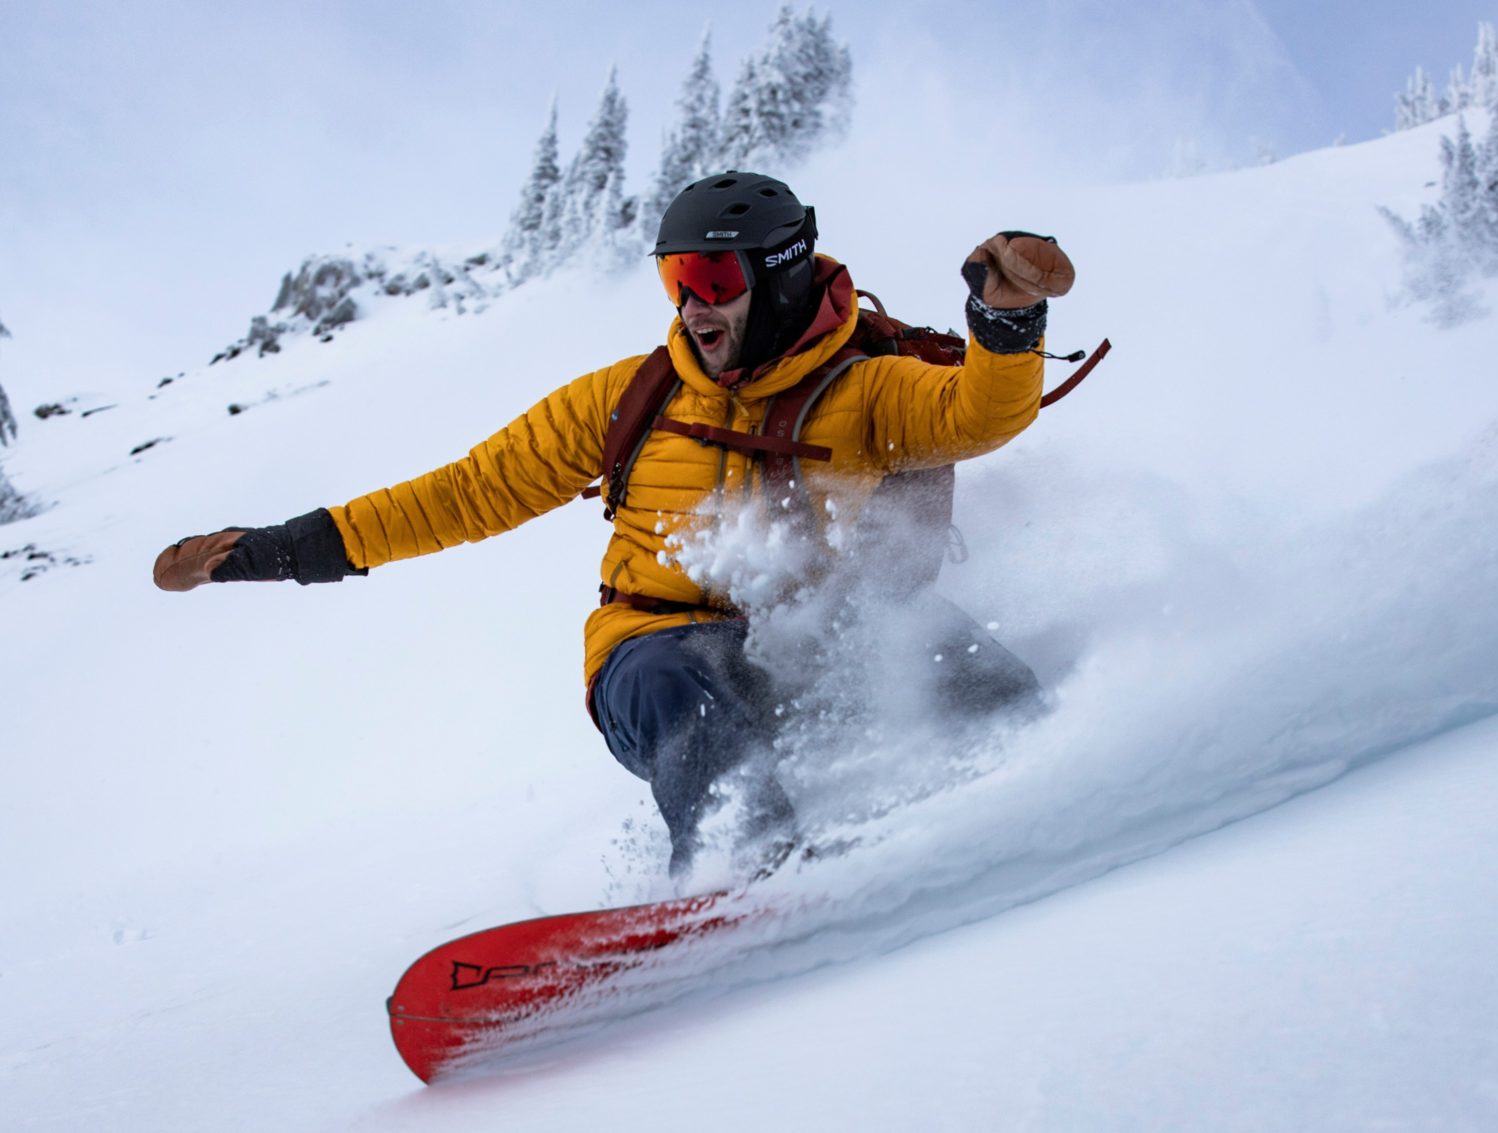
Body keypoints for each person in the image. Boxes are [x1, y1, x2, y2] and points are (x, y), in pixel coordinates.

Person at [154, 171, 1075, 879]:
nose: (692, 302)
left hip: (814, 644)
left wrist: (1007, 317)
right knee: (686, 691)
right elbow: (467, 492)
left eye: (714, 275)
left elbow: (978, 416)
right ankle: (742, 879)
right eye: (678, 276)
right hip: (656, 645)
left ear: (783, 282)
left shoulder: (867, 389)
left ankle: (1058, 793)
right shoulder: (631, 397)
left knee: (962, 671)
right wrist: (272, 552)